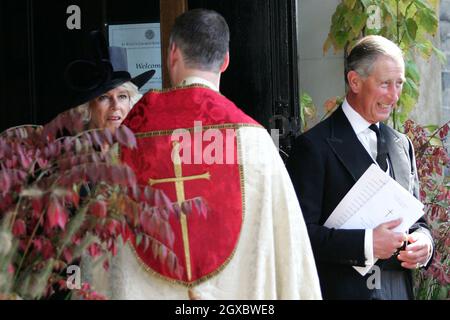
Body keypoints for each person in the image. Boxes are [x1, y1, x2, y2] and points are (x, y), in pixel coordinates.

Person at [106, 9, 322, 300]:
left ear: (172, 54)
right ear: (226, 61)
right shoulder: (255, 142)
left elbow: (102, 250)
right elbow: (291, 258)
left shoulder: (126, 142)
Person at [286, 35, 434, 300]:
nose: (394, 96)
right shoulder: (313, 147)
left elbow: (418, 221)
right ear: (354, 81)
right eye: (385, 84)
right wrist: (367, 243)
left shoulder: (403, 145)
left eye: (398, 84)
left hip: (399, 291)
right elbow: (298, 235)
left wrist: (425, 245)